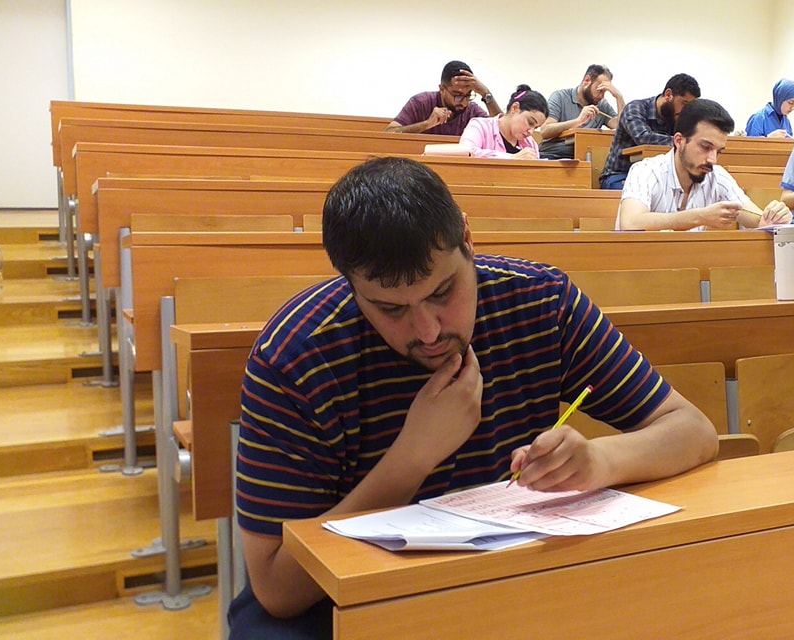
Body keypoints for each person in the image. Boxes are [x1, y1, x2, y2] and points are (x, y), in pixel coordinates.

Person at [227, 157, 718, 638]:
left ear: (467, 237)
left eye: (443, 292)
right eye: (390, 309)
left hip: (507, 577)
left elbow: (692, 431)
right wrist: (413, 457)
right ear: (350, 284)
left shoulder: (541, 302)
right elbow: (277, 588)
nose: (428, 331)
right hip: (342, 598)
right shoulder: (295, 358)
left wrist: (597, 461)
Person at [617, 99, 791, 231]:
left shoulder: (717, 176)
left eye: (718, 151)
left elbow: (758, 220)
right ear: (679, 141)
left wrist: (774, 218)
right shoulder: (646, 171)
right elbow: (630, 223)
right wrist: (699, 217)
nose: (712, 160)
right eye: (705, 147)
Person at [598, 73, 701, 190]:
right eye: (684, 103)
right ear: (668, 95)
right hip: (620, 175)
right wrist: (684, 141)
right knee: (639, 192)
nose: (686, 110)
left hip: (657, 177)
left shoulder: (678, 117)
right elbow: (643, 138)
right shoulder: (635, 108)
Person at [386, 60, 501, 136]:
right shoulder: (420, 102)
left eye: (468, 95)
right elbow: (389, 133)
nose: (464, 103)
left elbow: (501, 129)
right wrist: (426, 124)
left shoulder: (472, 110)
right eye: (457, 95)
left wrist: (485, 93)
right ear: (442, 89)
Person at [538, 65, 626, 160]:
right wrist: (578, 121)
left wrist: (619, 97)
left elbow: (621, 127)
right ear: (587, 80)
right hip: (552, 155)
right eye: (600, 90)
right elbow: (545, 131)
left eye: (605, 92)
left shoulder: (601, 105)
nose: (602, 96)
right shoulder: (560, 97)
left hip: (583, 158)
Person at [458, 86, 547, 158]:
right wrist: (511, 158)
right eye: (530, 123)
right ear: (515, 108)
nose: (531, 132)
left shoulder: (530, 143)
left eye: (535, 128)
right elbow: (465, 152)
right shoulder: (480, 126)